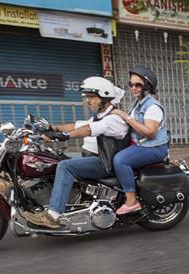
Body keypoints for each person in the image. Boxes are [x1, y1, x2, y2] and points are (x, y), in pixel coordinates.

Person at [21, 77, 128, 229]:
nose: (88, 101)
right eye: (87, 98)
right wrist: (53, 129)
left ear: (104, 97)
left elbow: (89, 130)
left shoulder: (114, 119)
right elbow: (77, 125)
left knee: (65, 166)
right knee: (56, 160)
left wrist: (65, 136)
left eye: (91, 97)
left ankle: (53, 215)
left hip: (105, 162)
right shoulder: (100, 116)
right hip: (96, 158)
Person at [108, 66, 169, 215]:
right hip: (139, 144)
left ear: (147, 86)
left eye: (138, 85)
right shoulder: (136, 103)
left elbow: (149, 132)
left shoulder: (153, 106)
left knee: (120, 160)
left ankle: (131, 201)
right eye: (131, 84)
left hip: (153, 147)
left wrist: (125, 116)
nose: (133, 88)